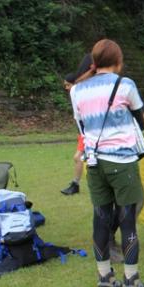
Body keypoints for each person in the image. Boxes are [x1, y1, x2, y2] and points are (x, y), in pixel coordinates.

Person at [70, 39, 144, 287]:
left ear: (94, 61)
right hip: (123, 163)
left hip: (94, 163)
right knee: (127, 221)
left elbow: (81, 127)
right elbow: (140, 121)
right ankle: (131, 282)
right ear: (118, 60)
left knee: (100, 220)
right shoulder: (125, 85)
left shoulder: (77, 90)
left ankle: (105, 280)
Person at [61, 54, 92, 196]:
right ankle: (76, 184)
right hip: (83, 132)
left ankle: (76, 184)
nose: (66, 88)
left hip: (87, 132)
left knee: (78, 157)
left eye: (68, 85)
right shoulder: (76, 92)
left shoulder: (78, 91)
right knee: (79, 158)